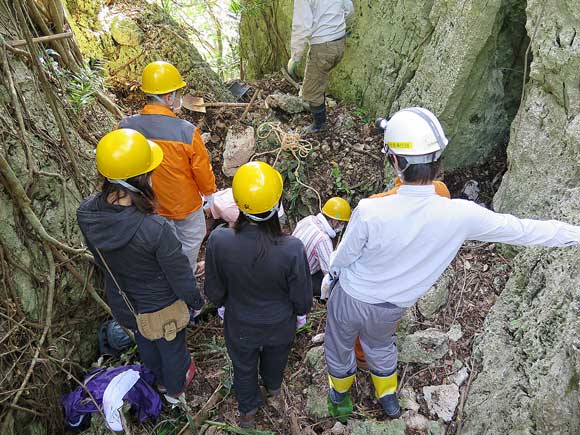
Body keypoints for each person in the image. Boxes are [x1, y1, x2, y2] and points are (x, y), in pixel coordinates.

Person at [323, 107, 580, 419]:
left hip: (351, 296)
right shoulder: (460, 214)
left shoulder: (369, 210)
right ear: (437, 161)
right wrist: (574, 234)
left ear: (396, 162)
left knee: (339, 345)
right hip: (392, 306)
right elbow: (523, 229)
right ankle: (388, 397)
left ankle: (339, 398)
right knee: (380, 344)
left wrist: (330, 274)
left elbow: (344, 256)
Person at [77, 129, 205, 404]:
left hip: (124, 301)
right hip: (162, 307)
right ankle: (173, 391)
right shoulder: (154, 229)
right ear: (141, 179)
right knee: (173, 351)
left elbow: (99, 256)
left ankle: (158, 380)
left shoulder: (86, 214)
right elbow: (180, 274)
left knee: (145, 341)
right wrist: (195, 301)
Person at [204, 161, 313, 429]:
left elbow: (214, 289)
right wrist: (300, 314)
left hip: (240, 323)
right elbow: (302, 296)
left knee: (243, 367)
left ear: (239, 204)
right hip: (279, 324)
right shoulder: (292, 248)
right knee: (276, 358)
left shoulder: (220, 240)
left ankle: (248, 412)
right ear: (277, 205)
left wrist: (221, 305)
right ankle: (273, 387)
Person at [119, 61, 217, 274]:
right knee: (191, 239)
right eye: (177, 93)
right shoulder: (187, 132)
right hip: (183, 203)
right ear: (167, 97)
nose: (179, 97)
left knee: (161, 240)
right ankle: (186, 272)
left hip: (146, 201)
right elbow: (202, 170)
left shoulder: (126, 126)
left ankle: (164, 271)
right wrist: (209, 194)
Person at [288, 0, 354, 133]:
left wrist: (295, 57)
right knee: (319, 78)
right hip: (339, 42)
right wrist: (337, 26)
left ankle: (319, 125)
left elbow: (301, 26)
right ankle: (317, 103)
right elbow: (349, 9)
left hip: (323, 46)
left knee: (311, 89)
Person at [292, 197, 351, 297]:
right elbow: (330, 273)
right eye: (341, 223)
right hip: (297, 279)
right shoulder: (323, 239)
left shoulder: (309, 219)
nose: (341, 226)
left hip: (288, 267)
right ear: (335, 221)